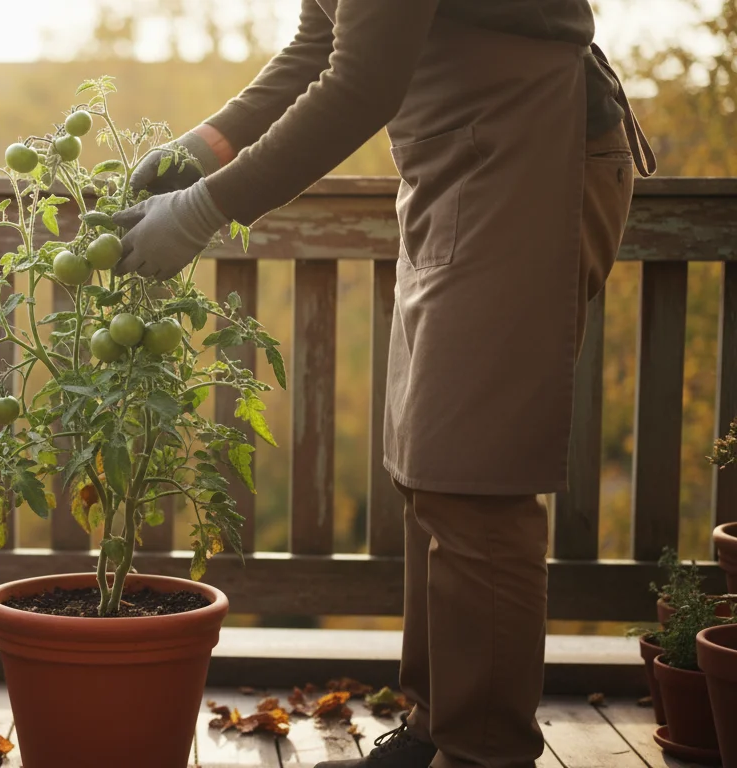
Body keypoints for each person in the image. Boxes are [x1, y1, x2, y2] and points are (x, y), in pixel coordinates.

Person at [112, 1, 655, 767]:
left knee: (475, 479)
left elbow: (360, 85)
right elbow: (320, 42)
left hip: (528, 154)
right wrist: (205, 147)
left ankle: (483, 752)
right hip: (459, 164)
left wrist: (205, 208)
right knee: (430, 469)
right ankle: (439, 728)